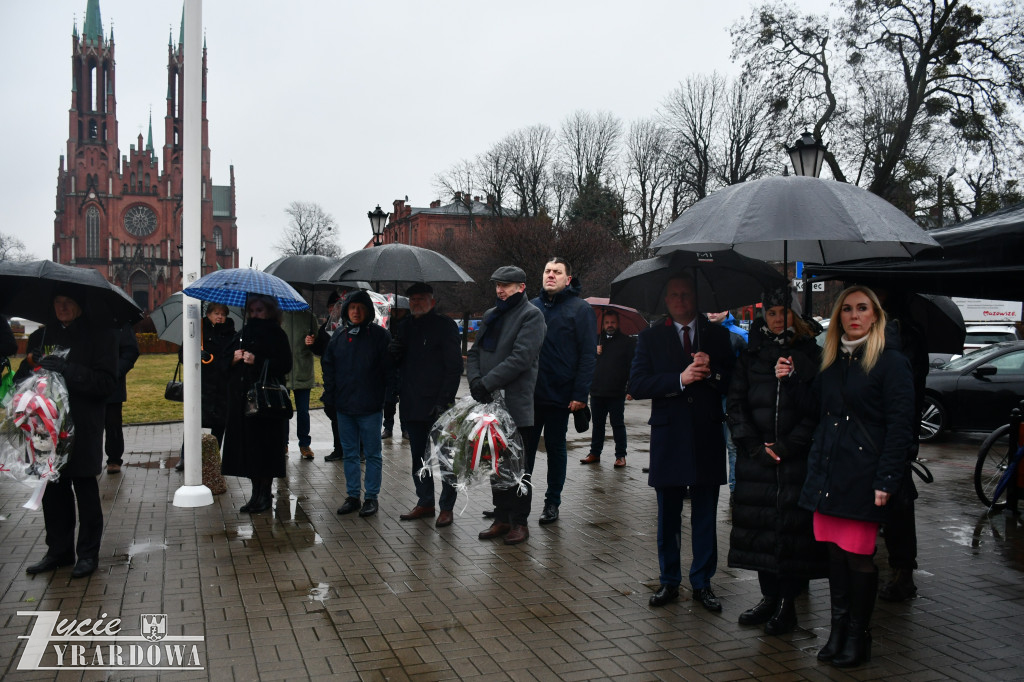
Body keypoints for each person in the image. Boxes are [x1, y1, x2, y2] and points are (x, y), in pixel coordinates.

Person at [780, 285, 914, 668]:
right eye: (847, 310)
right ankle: (838, 630)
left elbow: (901, 427)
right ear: (838, 317)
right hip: (828, 474)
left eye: (863, 308)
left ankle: (859, 635)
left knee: (858, 558)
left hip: (864, 476)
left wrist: (886, 479)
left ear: (875, 315)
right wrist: (791, 380)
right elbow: (817, 407)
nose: (854, 315)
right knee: (835, 557)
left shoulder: (891, 362)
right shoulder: (834, 361)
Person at [628, 274, 734, 611]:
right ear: (666, 300)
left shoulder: (716, 335)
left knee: (704, 514)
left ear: (696, 297)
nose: (680, 299)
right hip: (669, 434)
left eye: (686, 294)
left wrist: (711, 371)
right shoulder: (650, 337)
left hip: (705, 432)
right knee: (668, 515)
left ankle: (702, 582)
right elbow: (638, 384)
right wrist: (680, 379)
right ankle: (669, 581)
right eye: (673, 294)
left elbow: (733, 381)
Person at [726, 286, 825, 636]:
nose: (778, 318)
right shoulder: (751, 355)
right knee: (761, 530)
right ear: (763, 317)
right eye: (771, 313)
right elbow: (736, 403)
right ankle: (769, 597)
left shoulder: (810, 352)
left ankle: (788, 604)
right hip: (758, 460)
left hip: (794, 460)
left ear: (793, 314)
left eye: (784, 312)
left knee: (792, 533)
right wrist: (754, 445)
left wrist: (787, 445)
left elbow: (817, 409)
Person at [20, 288, 117, 578]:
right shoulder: (42, 337)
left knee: (84, 489)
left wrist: (66, 369)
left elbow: (105, 383)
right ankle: (58, 550)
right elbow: (21, 383)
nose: (62, 308)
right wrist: (30, 366)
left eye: (68, 303)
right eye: (57, 303)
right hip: (47, 429)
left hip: (82, 424)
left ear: (78, 306)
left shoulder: (100, 336)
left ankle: (87, 553)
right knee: (53, 490)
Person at [469, 265, 546, 545]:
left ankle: (519, 523)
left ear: (521, 287)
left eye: (506, 285)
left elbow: (521, 358)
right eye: (497, 284)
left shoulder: (531, 316)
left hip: (515, 405)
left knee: (518, 467)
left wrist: (486, 382)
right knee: (496, 464)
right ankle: (501, 518)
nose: (500, 289)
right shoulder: (492, 314)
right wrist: (475, 380)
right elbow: (475, 351)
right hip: (490, 405)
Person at [525, 257, 596, 525]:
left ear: (568, 279)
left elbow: (588, 356)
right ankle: (519, 500)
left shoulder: (581, 310)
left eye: (557, 272)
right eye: (547, 271)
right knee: (524, 452)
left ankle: (552, 502)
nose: (550, 275)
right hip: (530, 395)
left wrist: (580, 394)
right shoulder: (531, 307)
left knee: (555, 450)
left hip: (561, 396)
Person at [874, 287, 929, 603]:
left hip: (894, 433)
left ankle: (903, 572)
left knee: (897, 505)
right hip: (877, 434)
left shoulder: (901, 334)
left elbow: (903, 390)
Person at [392, 283, 462, 527]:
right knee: (418, 458)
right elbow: (397, 366)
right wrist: (393, 352)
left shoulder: (444, 326)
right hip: (412, 404)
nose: (416, 303)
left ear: (432, 301)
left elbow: (454, 368)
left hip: (438, 405)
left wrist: (444, 400)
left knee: (445, 458)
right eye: (412, 300)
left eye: (421, 299)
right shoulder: (403, 327)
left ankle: (446, 507)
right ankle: (425, 501)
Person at [322, 290, 394, 518]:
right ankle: (353, 495)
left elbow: (389, 371)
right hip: (344, 406)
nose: (355, 311)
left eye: (360, 307)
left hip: (370, 407)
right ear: (345, 310)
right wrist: (330, 398)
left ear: (368, 311)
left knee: (372, 453)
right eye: (352, 307)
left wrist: (388, 396)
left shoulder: (380, 336)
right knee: (350, 453)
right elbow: (328, 368)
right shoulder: (339, 336)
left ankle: (371, 497)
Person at [221, 294, 293, 514]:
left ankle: (264, 494)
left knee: (265, 451)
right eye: (251, 311)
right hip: (244, 404)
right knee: (249, 451)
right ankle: (255, 494)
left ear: (270, 311)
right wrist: (233, 358)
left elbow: (285, 364)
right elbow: (224, 363)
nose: (255, 315)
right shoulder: (242, 333)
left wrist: (258, 362)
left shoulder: (276, 334)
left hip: (266, 405)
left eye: (259, 310)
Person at [175, 302, 235, 472]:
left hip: (222, 385)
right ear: (208, 314)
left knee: (220, 423)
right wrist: (194, 354)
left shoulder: (230, 332)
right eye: (216, 313)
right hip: (201, 385)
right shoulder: (197, 329)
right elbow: (182, 355)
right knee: (194, 421)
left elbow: (231, 358)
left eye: (223, 314)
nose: (220, 317)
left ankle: (214, 457)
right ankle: (185, 457)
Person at [580, 310, 635, 468]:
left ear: (618, 324)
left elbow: (633, 366)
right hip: (597, 390)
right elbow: (585, 362)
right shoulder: (595, 340)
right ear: (602, 324)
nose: (610, 325)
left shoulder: (627, 342)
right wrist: (593, 352)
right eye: (607, 323)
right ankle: (595, 453)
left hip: (617, 391)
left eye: (613, 322)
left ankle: (620, 456)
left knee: (617, 424)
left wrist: (631, 388)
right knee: (597, 425)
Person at [706, 311, 748, 500]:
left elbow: (747, 367)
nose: (713, 313)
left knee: (732, 444)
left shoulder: (739, 335)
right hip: (707, 396)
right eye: (710, 309)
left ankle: (735, 490)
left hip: (731, 397)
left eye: (718, 309)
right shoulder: (701, 332)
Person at [310, 290, 346, 462]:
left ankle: (356, 449)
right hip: (330, 378)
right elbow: (319, 350)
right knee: (333, 412)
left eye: (337, 306)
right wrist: (311, 343)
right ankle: (338, 448)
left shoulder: (348, 325)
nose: (334, 309)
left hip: (346, 378)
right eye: (331, 306)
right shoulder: (326, 328)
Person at [282, 307, 319, 460]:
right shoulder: (278, 315)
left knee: (303, 411)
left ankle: (304, 444)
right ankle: (282, 443)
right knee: (283, 411)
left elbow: (318, 345)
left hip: (303, 371)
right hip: (283, 371)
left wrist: (312, 342)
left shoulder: (309, 317)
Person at [103, 323, 140, 474]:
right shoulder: (83, 319)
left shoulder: (120, 322)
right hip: (86, 380)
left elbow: (131, 351)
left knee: (113, 423)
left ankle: (114, 459)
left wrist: (116, 371)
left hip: (111, 382)